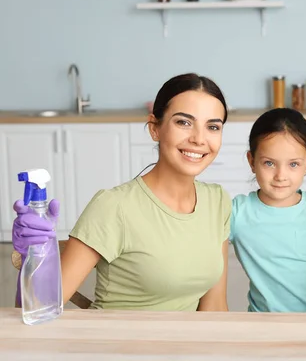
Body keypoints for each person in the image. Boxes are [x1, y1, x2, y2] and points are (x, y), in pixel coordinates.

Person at [12, 73, 232, 311]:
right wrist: (33, 256)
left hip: (184, 347)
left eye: (212, 126)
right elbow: (38, 308)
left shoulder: (217, 201)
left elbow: (214, 309)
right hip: (116, 345)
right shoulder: (113, 206)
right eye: (184, 122)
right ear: (155, 128)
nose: (199, 139)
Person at [229, 108, 306, 312]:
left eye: (293, 164)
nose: (281, 175)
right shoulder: (237, 213)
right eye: (269, 163)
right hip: (262, 324)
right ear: (251, 161)